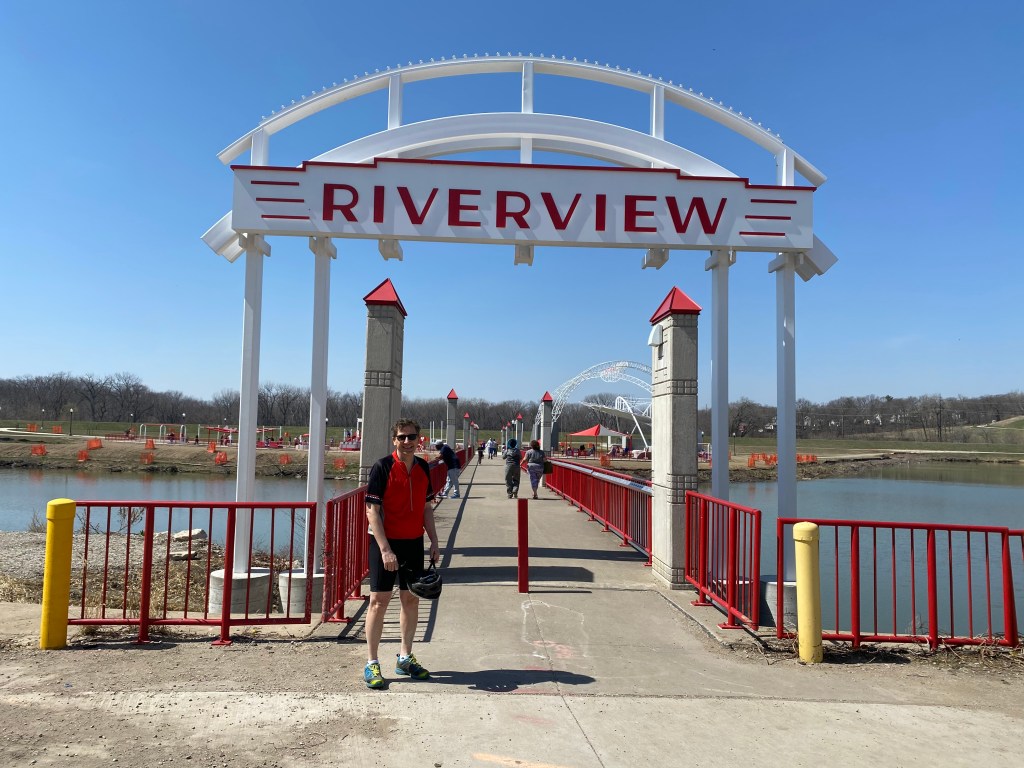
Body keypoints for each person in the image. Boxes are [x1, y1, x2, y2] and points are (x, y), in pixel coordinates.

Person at [363, 418, 440, 690]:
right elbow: (372, 511)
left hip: (413, 543)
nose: (407, 442)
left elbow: (426, 507)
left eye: (411, 437)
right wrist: (385, 549)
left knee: (411, 599)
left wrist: (433, 540)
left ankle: (405, 658)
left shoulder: (422, 467)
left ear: (419, 439)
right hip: (384, 542)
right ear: (394, 439)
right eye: (401, 437)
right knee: (378, 601)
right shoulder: (382, 467)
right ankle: (372, 662)